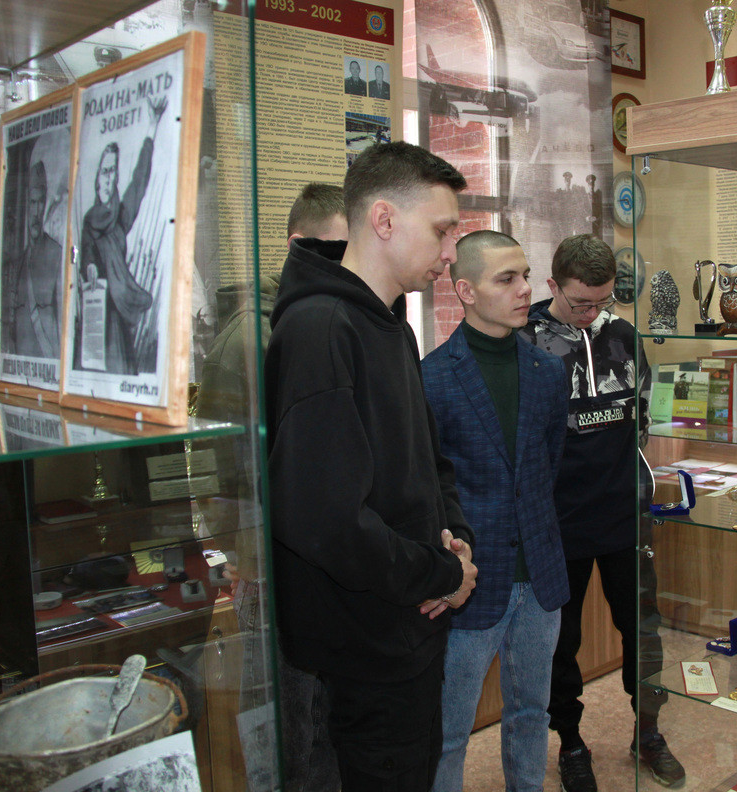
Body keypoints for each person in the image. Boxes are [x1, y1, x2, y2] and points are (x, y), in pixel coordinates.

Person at [265, 141, 477, 791]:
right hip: (366, 645)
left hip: (409, 625)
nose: (450, 252)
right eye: (442, 230)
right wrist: (441, 573)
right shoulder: (321, 329)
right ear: (384, 219)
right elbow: (324, 520)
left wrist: (457, 540)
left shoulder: (391, 326)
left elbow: (428, 462)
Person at [197, 183, 348, 792]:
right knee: (289, 734)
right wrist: (249, 561)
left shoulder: (315, 317)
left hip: (320, 559)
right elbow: (233, 475)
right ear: (298, 245)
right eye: (335, 249)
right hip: (273, 567)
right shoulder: (256, 338)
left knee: (325, 725)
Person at [519, 234, 684, 791]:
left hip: (623, 516)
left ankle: (649, 730)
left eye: (603, 301)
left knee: (643, 630)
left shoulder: (623, 336)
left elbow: (640, 417)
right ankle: (570, 742)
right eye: (580, 302)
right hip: (558, 523)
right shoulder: (526, 341)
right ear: (553, 286)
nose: (592, 313)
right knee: (560, 643)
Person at [422, 231, 569, 792]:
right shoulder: (431, 378)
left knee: (532, 713)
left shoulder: (547, 371)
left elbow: (546, 468)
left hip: (541, 577)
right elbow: (428, 489)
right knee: (448, 730)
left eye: (525, 276)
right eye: (506, 279)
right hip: (471, 579)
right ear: (465, 290)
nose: (524, 289)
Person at [75, 94, 167, 375]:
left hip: (117, 318)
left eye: (113, 172)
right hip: (95, 314)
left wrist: (152, 127)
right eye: (105, 172)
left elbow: (139, 182)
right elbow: (86, 251)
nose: (110, 178)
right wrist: (90, 267)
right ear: (97, 176)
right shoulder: (89, 221)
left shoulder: (120, 219)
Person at [7, 160, 64, 358]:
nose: (37, 211)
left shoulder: (56, 254)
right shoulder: (19, 264)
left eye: (41, 202)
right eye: (32, 203)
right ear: (26, 205)